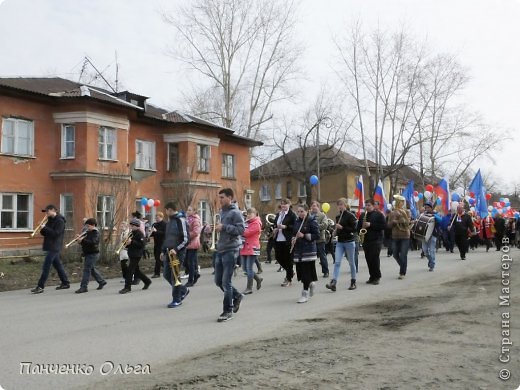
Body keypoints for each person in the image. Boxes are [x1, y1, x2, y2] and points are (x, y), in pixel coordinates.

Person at [214, 188, 245, 322]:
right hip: (220, 248)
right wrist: (213, 229)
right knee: (218, 281)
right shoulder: (221, 212)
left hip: (231, 249)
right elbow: (222, 228)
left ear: (229, 198)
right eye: (219, 197)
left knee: (226, 282)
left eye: (222, 197)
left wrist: (225, 227)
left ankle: (228, 310)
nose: (219, 200)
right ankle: (237, 296)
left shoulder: (235, 212)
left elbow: (241, 230)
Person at [31, 205, 70, 294]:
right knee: (58, 265)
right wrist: (41, 228)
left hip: (55, 246)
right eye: (46, 211)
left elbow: (56, 234)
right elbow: (45, 233)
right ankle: (65, 283)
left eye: (47, 211)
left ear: (53, 210)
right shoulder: (50, 220)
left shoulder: (60, 221)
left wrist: (45, 227)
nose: (46, 213)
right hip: (50, 245)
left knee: (46, 266)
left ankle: (40, 286)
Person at [161, 201, 190, 307]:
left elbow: (186, 239)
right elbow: (167, 238)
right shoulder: (170, 222)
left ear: (170, 210)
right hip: (168, 252)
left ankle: (176, 299)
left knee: (175, 276)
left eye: (166, 211)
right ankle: (183, 290)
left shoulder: (180, 220)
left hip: (177, 253)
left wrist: (176, 249)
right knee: (166, 274)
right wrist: (163, 251)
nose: (165, 213)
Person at [326, 198, 357, 292]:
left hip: (349, 242)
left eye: (341, 204)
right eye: (338, 205)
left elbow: (354, 229)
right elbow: (339, 230)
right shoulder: (338, 216)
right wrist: (335, 231)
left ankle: (353, 281)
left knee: (351, 262)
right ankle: (334, 282)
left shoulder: (351, 215)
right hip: (340, 242)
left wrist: (342, 227)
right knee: (337, 262)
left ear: (346, 205)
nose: (340, 206)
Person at [292, 204, 320, 303]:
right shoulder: (296, 221)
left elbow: (317, 235)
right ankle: (311, 283)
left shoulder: (311, 221)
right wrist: (293, 239)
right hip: (298, 250)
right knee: (300, 272)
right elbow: (294, 233)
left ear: (307, 211)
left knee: (306, 272)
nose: (300, 214)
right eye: (298, 212)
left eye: (302, 211)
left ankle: (305, 293)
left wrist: (304, 235)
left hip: (308, 250)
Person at [119, 219, 152, 294]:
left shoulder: (140, 234)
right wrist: (126, 243)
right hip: (131, 253)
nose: (131, 227)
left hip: (137, 254)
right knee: (136, 271)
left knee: (130, 271)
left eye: (132, 226)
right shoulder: (131, 233)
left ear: (137, 226)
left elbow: (142, 245)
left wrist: (132, 242)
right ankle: (147, 281)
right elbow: (129, 244)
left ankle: (127, 287)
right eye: (131, 225)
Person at [358, 199, 386, 285]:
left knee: (374, 259)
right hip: (366, 240)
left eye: (369, 205)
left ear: (374, 206)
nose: (367, 207)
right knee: (368, 259)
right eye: (366, 205)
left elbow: (384, 226)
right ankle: (372, 276)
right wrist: (360, 228)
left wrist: (371, 225)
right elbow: (358, 227)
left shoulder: (379, 215)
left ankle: (377, 277)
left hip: (376, 240)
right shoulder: (362, 215)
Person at [75, 218, 106, 293]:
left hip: (93, 254)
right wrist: (79, 240)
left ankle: (84, 287)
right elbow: (86, 243)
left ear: (93, 225)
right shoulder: (88, 232)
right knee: (91, 269)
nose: (87, 228)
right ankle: (101, 281)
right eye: (86, 226)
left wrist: (83, 240)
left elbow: (93, 242)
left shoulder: (96, 233)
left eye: (88, 226)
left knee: (86, 270)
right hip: (88, 253)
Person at [273, 198, 297, 287]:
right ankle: (290, 271)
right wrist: (275, 228)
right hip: (278, 239)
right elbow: (275, 224)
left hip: (287, 240)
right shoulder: (278, 214)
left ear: (289, 205)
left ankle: (288, 279)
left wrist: (285, 226)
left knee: (288, 259)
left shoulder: (292, 215)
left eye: (285, 204)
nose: (283, 205)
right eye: (282, 204)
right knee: (278, 257)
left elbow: (295, 226)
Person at [387, 194, 411, 279]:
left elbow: (408, 222)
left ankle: (402, 273)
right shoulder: (392, 212)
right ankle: (403, 266)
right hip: (395, 236)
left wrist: (402, 220)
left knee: (403, 255)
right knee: (395, 254)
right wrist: (394, 222)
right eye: (400, 201)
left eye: (402, 202)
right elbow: (388, 225)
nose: (401, 203)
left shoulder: (407, 211)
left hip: (405, 235)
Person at [240, 208, 263, 294]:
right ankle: (258, 279)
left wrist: (238, 229)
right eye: (248, 214)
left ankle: (249, 288)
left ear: (255, 214)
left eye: (251, 213)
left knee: (249, 268)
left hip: (252, 247)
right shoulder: (246, 223)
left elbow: (246, 233)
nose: (248, 215)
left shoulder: (256, 223)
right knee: (245, 268)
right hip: (244, 247)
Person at [419, 202, 441, 272]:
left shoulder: (435, 214)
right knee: (425, 251)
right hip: (424, 235)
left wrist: (434, 215)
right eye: (425, 208)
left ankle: (432, 265)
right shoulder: (423, 214)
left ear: (431, 208)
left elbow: (440, 220)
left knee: (432, 251)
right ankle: (430, 261)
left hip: (433, 235)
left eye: (428, 207)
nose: (426, 209)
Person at [310, 201, 330, 278]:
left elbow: (325, 225)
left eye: (315, 206)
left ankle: (326, 271)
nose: (313, 207)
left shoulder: (322, 215)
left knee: (322, 256)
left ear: (318, 207)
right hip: (311, 239)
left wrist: (315, 226)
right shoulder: (309, 215)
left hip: (320, 239)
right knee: (311, 257)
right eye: (312, 206)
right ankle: (312, 272)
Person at [186, 205, 202, 287]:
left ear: (194, 211)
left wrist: (187, 236)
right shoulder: (188, 219)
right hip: (188, 243)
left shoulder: (195, 220)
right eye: (188, 210)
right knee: (190, 262)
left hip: (193, 243)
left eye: (190, 210)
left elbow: (196, 232)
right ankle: (195, 274)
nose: (188, 211)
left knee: (190, 263)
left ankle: (191, 280)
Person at [150, 212, 167, 278]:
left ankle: (157, 273)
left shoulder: (165, 224)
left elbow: (164, 234)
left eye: (157, 217)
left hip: (162, 243)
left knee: (160, 258)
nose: (156, 219)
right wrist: (150, 232)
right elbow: (153, 234)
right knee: (157, 258)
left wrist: (156, 231)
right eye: (155, 217)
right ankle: (168, 269)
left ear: (161, 217)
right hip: (156, 243)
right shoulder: (154, 224)